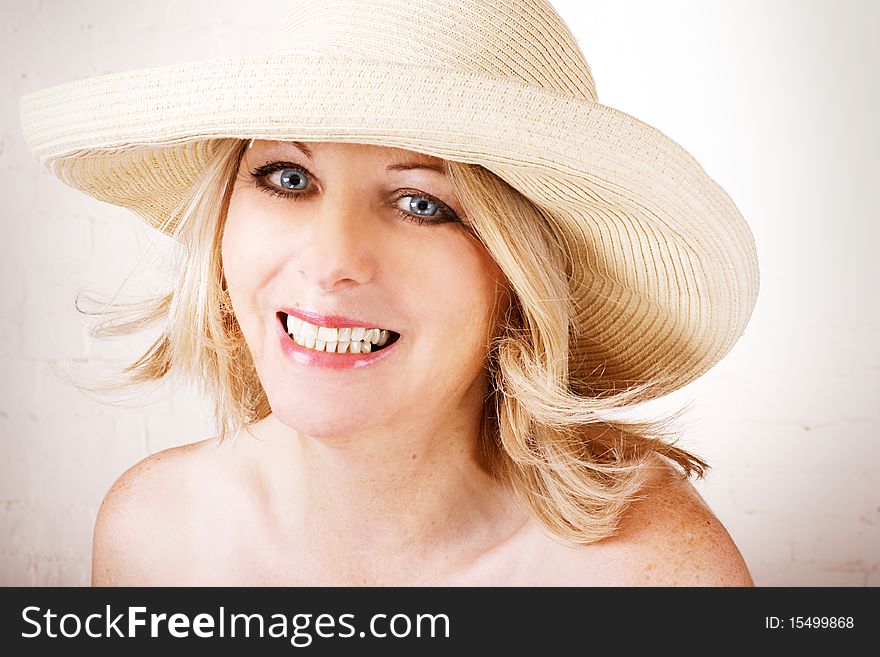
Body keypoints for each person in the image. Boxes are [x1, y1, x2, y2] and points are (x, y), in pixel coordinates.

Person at [19, 0, 759, 586]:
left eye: (422, 203)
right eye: (288, 177)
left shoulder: (651, 576)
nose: (332, 262)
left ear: (519, 278)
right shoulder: (155, 535)